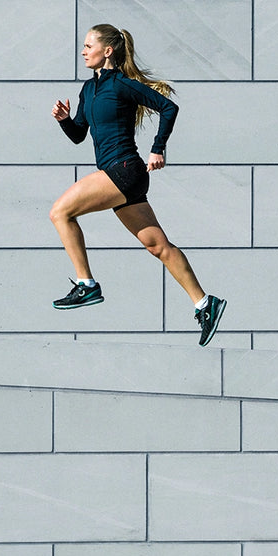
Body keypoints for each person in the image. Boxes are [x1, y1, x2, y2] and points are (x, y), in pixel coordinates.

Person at [49, 23, 227, 346]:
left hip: (125, 170)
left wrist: (158, 147)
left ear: (108, 50)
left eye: (88, 46)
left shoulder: (123, 85)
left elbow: (168, 107)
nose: (83, 51)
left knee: (60, 212)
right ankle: (204, 302)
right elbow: (79, 135)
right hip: (118, 177)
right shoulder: (88, 91)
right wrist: (64, 120)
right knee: (158, 246)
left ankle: (86, 284)